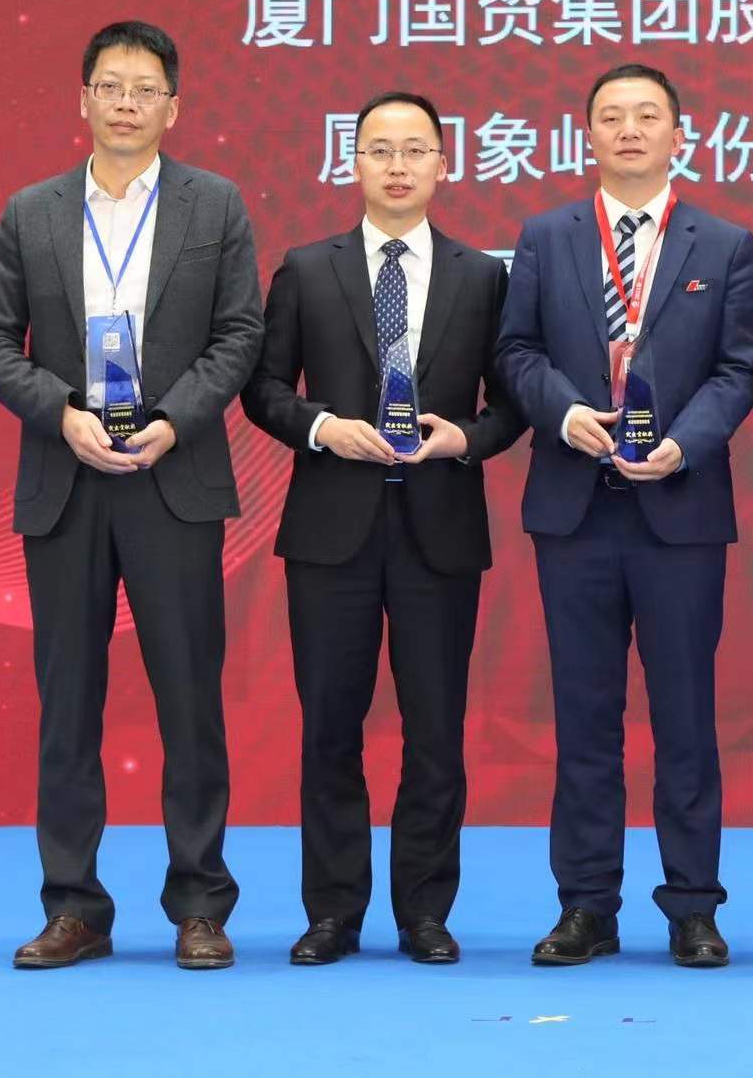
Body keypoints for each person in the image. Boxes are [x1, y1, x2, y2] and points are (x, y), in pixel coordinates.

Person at [0, 20, 263, 971]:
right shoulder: (33, 212)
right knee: (69, 703)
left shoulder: (215, 205)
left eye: (145, 89)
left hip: (174, 478)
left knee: (190, 700)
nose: (126, 103)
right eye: (110, 86)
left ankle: (200, 905)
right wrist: (61, 414)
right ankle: (75, 908)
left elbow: (240, 335)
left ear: (174, 107)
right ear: (83, 99)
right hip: (68, 479)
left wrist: (173, 419)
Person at [241, 91, 525, 968]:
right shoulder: (306, 269)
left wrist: (463, 440)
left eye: (414, 150)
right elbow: (263, 389)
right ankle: (332, 911)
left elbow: (512, 402)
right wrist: (323, 427)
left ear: (444, 163)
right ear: (352, 161)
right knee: (330, 726)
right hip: (332, 530)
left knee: (436, 730)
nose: (397, 166)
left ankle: (425, 912)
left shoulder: (482, 276)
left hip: (440, 527)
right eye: (379, 149)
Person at [494, 63, 753, 969]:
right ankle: (586, 906)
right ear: (588, 136)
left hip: (679, 508)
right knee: (584, 718)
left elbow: (739, 367)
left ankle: (692, 907)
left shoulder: (723, 243)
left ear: (679, 135)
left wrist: (685, 443)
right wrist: (565, 412)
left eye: (648, 115)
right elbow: (515, 350)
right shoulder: (546, 236)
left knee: (686, 717)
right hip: (576, 511)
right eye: (612, 116)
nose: (630, 130)